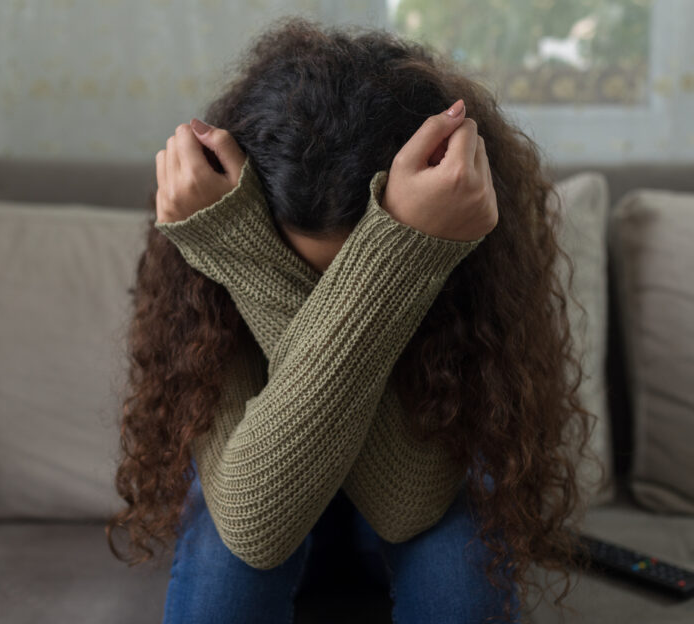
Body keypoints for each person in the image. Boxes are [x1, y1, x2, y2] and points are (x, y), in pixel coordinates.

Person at [106, 16, 602, 624]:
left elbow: (407, 508)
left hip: (400, 504)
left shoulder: (468, 249)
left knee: (460, 559)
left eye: (357, 271)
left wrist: (407, 255)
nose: (325, 291)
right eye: (295, 270)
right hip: (264, 497)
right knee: (222, 552)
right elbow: (253, 524)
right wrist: (236, 250)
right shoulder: (212, 252)